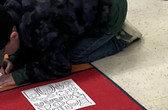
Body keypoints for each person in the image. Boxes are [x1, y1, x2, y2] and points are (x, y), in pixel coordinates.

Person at [0, 0, 138, 88]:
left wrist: (19, 75)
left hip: (112, 10)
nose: (4, 56)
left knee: (74, 56)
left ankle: (117, 39)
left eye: (4, 51)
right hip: (77, 8)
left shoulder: (41, 26)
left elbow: (60, 67)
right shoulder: (10, 7)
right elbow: (26, 39)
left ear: (14, 35)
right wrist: (15, 60)